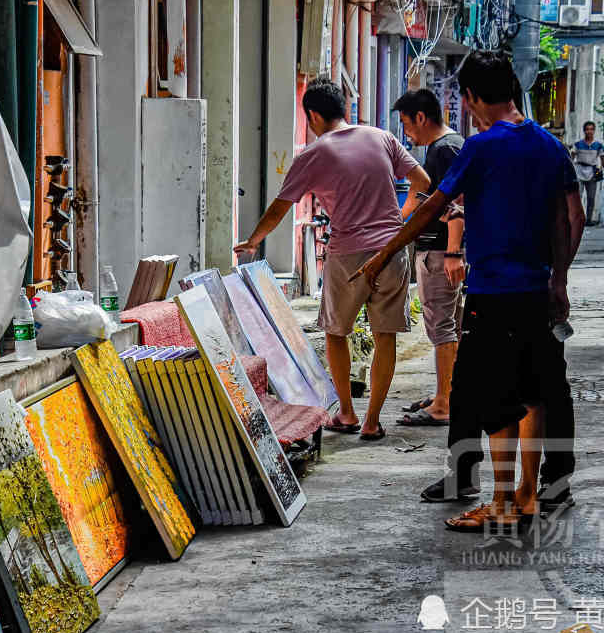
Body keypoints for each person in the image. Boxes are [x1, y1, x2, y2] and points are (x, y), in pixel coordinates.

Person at [352, 51, 579, 530]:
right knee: (536, 395)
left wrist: (381, 254)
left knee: (494, 398)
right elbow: (571, 217)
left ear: (473, 98)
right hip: (538, 292)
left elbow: (431, 207)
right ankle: (526, 495)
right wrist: (558, 278)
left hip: (493, 294)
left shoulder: (481, 147)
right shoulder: (550, 146)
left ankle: (498, 504)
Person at [234, 76, 431, 441]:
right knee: (385, 335)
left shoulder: (313, 154)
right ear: (343, 108)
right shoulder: (382, 138)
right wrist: (399, 220)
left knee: (336, 333)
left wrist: (252, 241)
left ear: (312, 115)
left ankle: (347, 412)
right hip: (392, 250)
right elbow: (422, 181)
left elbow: (280, 208)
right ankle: (373, 421)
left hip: (348, 256)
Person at [390, 89, 465, 427]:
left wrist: (452, 252)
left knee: (443, 327)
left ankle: (445, 403)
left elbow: (457, 204)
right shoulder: (448, 147)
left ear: (421, 117)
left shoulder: (445, 149)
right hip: (439, 248)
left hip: (439, 250)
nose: (408, 133)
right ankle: (446, 394)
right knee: (449, 325)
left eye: (407, 124)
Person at [572, 121, 604, 225]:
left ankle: (589, 219)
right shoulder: (578, 144)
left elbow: (603, 159)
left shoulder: (598, 145)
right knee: (578, 196)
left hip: (592, 173)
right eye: (587, 129)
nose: (589, 131)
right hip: (579, 172)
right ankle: (577, 218)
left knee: (591, 197)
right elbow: (571, 157)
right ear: (584, 131)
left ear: (594, 131)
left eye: (591, 129)